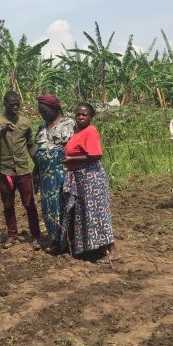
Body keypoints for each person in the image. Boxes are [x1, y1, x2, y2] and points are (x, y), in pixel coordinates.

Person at [62, 103, 120, 262]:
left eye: (84, 114)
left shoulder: (91, 131)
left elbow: (95, 155)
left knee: (98, 214)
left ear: (91, 116)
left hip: (91, 178)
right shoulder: (78, 131)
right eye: (78, 114)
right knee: (86, 213)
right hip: (81, 178)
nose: (80, 117)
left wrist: (71, 159)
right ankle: (97, 248)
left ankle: (113, 251)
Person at [0, 91, 43, 249]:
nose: (15, 107)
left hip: (23, 170)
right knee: (8, 205)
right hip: (6, 170)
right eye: (12, 104)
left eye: (17, 104)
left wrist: (38, 162)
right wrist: (5, 129)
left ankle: (36, 236)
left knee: (29, 204)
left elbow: (30, 145)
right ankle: (12, 235)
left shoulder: (25, 123)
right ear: (5, 104)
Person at [33, 94, 75, 249]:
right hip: (45, 176)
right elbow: (39, 150)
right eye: (40, 112)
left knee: (62, 205)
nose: (42, 115)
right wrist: (35, 172)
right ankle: (54, 238)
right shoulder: (42, 126)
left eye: (44, 111)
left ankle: (66, 240)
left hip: (62, 173)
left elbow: (75, 148)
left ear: (55, 108)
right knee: (48, 206)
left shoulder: (69, 124)